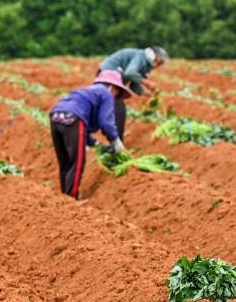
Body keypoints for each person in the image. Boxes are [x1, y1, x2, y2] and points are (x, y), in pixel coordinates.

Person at [49, 70, 130, 199]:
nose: (115, 97)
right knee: (78, 162)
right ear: (113, 87)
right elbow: (106, 122)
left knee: (65, 162)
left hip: (56, 117)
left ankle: (64, 198)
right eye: (117, 93)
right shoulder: (106, 93)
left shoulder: (87, 91)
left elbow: (81, 130)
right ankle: (71, 199)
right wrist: (116, 141)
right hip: (74, 118)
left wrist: (96, 143)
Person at [98, 46, 169, 143]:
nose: (157, 65)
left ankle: (116, 142)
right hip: (108, 77)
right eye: (158, 61)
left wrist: (147, 93)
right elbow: (130, 73)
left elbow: (133, 84)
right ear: (154, 56)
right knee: (118, 109)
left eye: (160, 64)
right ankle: (116, 144)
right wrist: (147, 83)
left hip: (116, 81)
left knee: (117, 109)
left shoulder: (146, 65)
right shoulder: (141, 57)